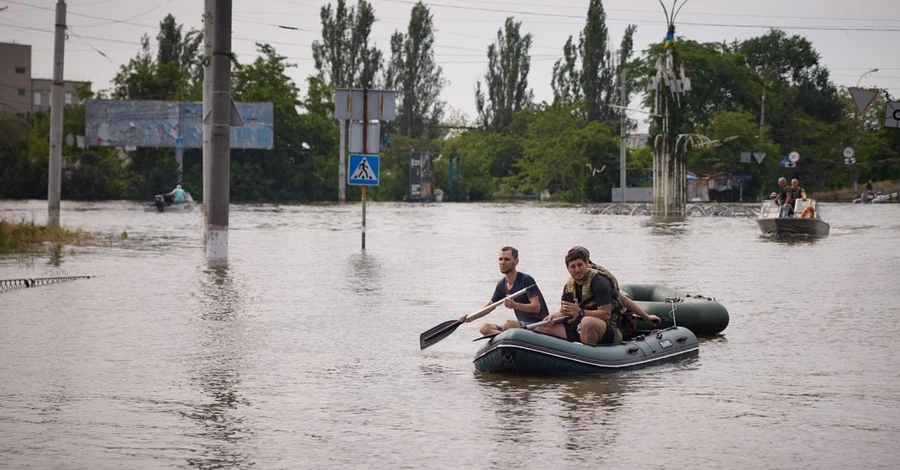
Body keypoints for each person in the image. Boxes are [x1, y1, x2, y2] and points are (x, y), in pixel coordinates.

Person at [536, 247, 659, 346]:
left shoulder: (599, 282)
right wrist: (552, 317)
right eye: (573, 267)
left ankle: (586, 358)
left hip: (609, 328)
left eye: (580, 265)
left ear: (586, 264)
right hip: (579, 327)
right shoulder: (569, 286)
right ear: (568, 269)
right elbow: (564, 312)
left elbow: (606, 314)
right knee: (543, 327)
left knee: (587, 322)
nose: (577, 270)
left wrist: (580, 312)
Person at [459, 246, 549, 336]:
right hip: (521, 324)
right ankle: (507, 338)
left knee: (507, 324)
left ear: (516, 262)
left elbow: (536, 307)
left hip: (537, 324)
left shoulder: (526, 280)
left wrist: (515, 305)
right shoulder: (502, 284)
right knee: (484, 328)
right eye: (500, 259)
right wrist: (471, 317)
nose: (502, 262)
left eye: (506, 259)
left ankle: (507, 337)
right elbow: (491, 305)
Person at [575, 246, 661, 336]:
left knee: (587, 322)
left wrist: (646, 317)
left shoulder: (599, 280)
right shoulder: (575, 281)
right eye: (572, 265)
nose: (577, 269)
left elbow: (620, 298)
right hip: (586, 323)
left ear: (586, 261)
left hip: (608, 326)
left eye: (579, 263)